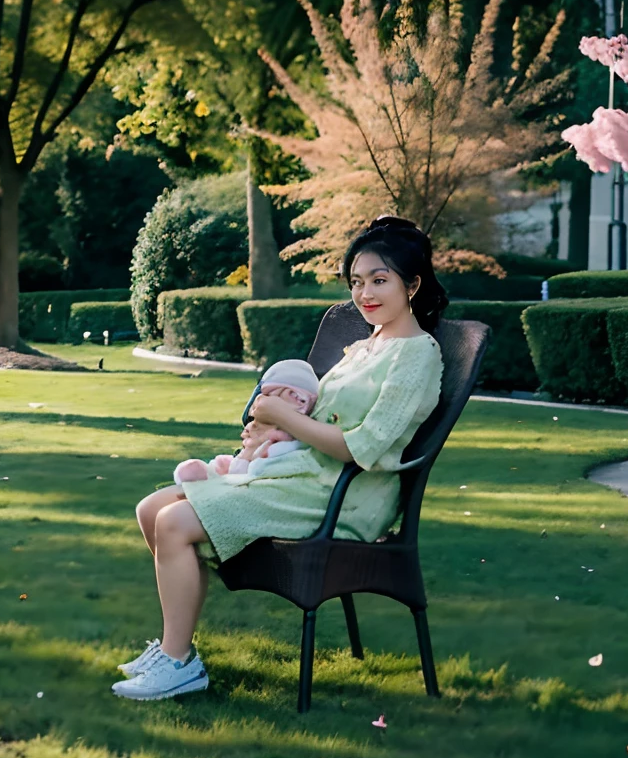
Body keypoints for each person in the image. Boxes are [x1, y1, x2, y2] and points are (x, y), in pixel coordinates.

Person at [115, 216, 447, 701]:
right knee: (151, 508)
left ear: (412, 284)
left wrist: (285, 421)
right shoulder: (368, 345)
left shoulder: (416, 355)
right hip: (302, 473)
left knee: (173, 523)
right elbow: (321, 416)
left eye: (380, 280)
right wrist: (270, 428)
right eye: (357, 282)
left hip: (343, 497)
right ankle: (175, 648)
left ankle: (178, 661)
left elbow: (363, 447)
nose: (365, 294)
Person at [173, 359, 321, 485]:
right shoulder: (262, 431)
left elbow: (270, 464)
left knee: (171, 514)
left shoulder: (288, 441)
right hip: (237, 475)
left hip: (251, 487)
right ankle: (206, 472)